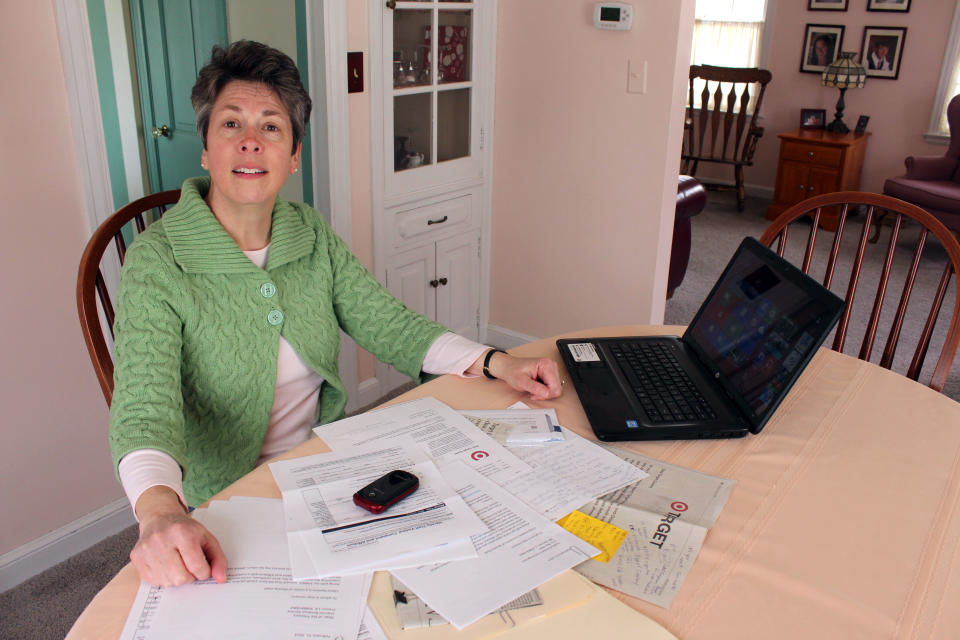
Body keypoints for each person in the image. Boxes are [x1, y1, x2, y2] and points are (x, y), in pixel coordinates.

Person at [110, 40, 563, 587]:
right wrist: (160, 511)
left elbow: (388, 323)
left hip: (324, 470)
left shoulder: (310, 233)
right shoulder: (158, 260)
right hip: (226, 501)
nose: (251, 142)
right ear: (205, 148)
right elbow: (143, 406)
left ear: (294, 155)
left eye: (271, 127)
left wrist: (495, 361)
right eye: (231, 124)